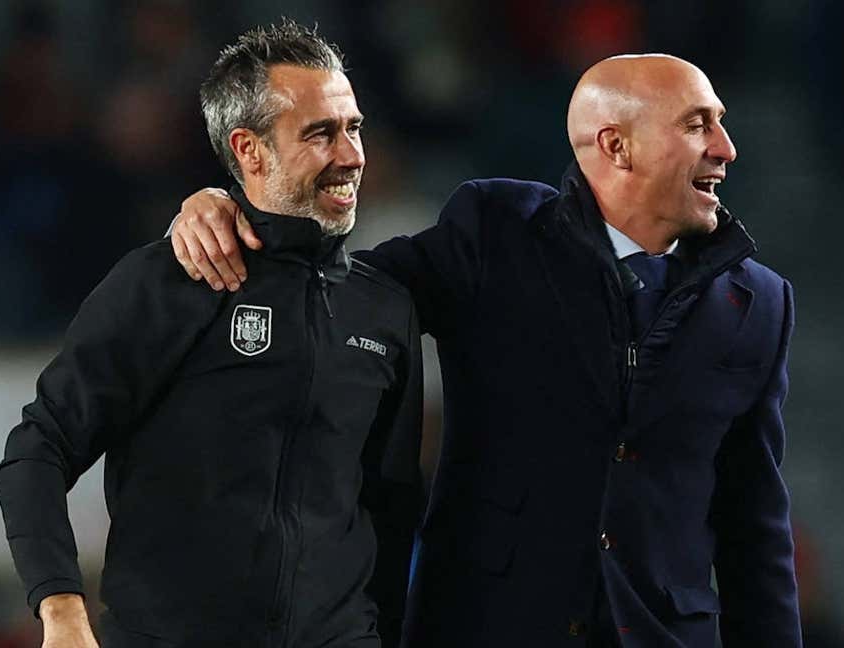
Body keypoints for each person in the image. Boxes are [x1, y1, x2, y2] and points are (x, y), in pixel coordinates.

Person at [173, 54, 800, 647]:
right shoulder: (497, 232)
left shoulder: (759, 303)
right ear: (616, 146)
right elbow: (341, 290)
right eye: (698, 125)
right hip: (488, 626)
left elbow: (755, 527)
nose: (726, 147)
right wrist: (235, 213)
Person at [0, 21, 423, 648]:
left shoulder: (383, 307)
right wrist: (61, 611)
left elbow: (391, 507)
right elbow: (36, 452)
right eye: (321, 133)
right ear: (249, 150)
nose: (352, 155)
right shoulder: (169, 281)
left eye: (354, 127)